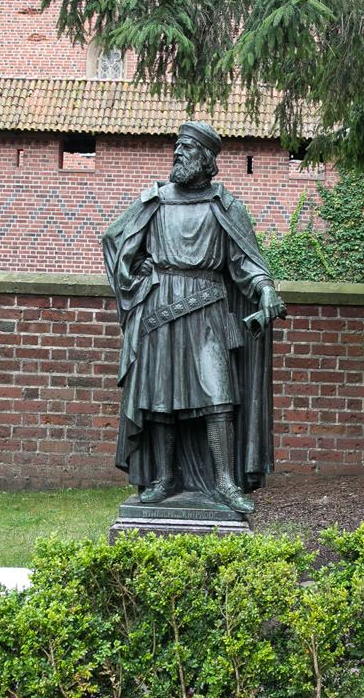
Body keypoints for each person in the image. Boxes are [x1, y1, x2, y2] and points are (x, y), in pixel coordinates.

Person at [102, 121, 287, 514]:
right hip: (161, 309)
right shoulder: (154, 201)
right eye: (177, 147)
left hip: (208, 311)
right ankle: (164, 478)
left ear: (206, 160)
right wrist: (139, 281)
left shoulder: (225, 206)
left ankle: (224, 481)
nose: (178, 155)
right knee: (161, 398)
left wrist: (266, 287)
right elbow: (116, 243)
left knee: (218, 397)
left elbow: (245, 262)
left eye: (187, 149)